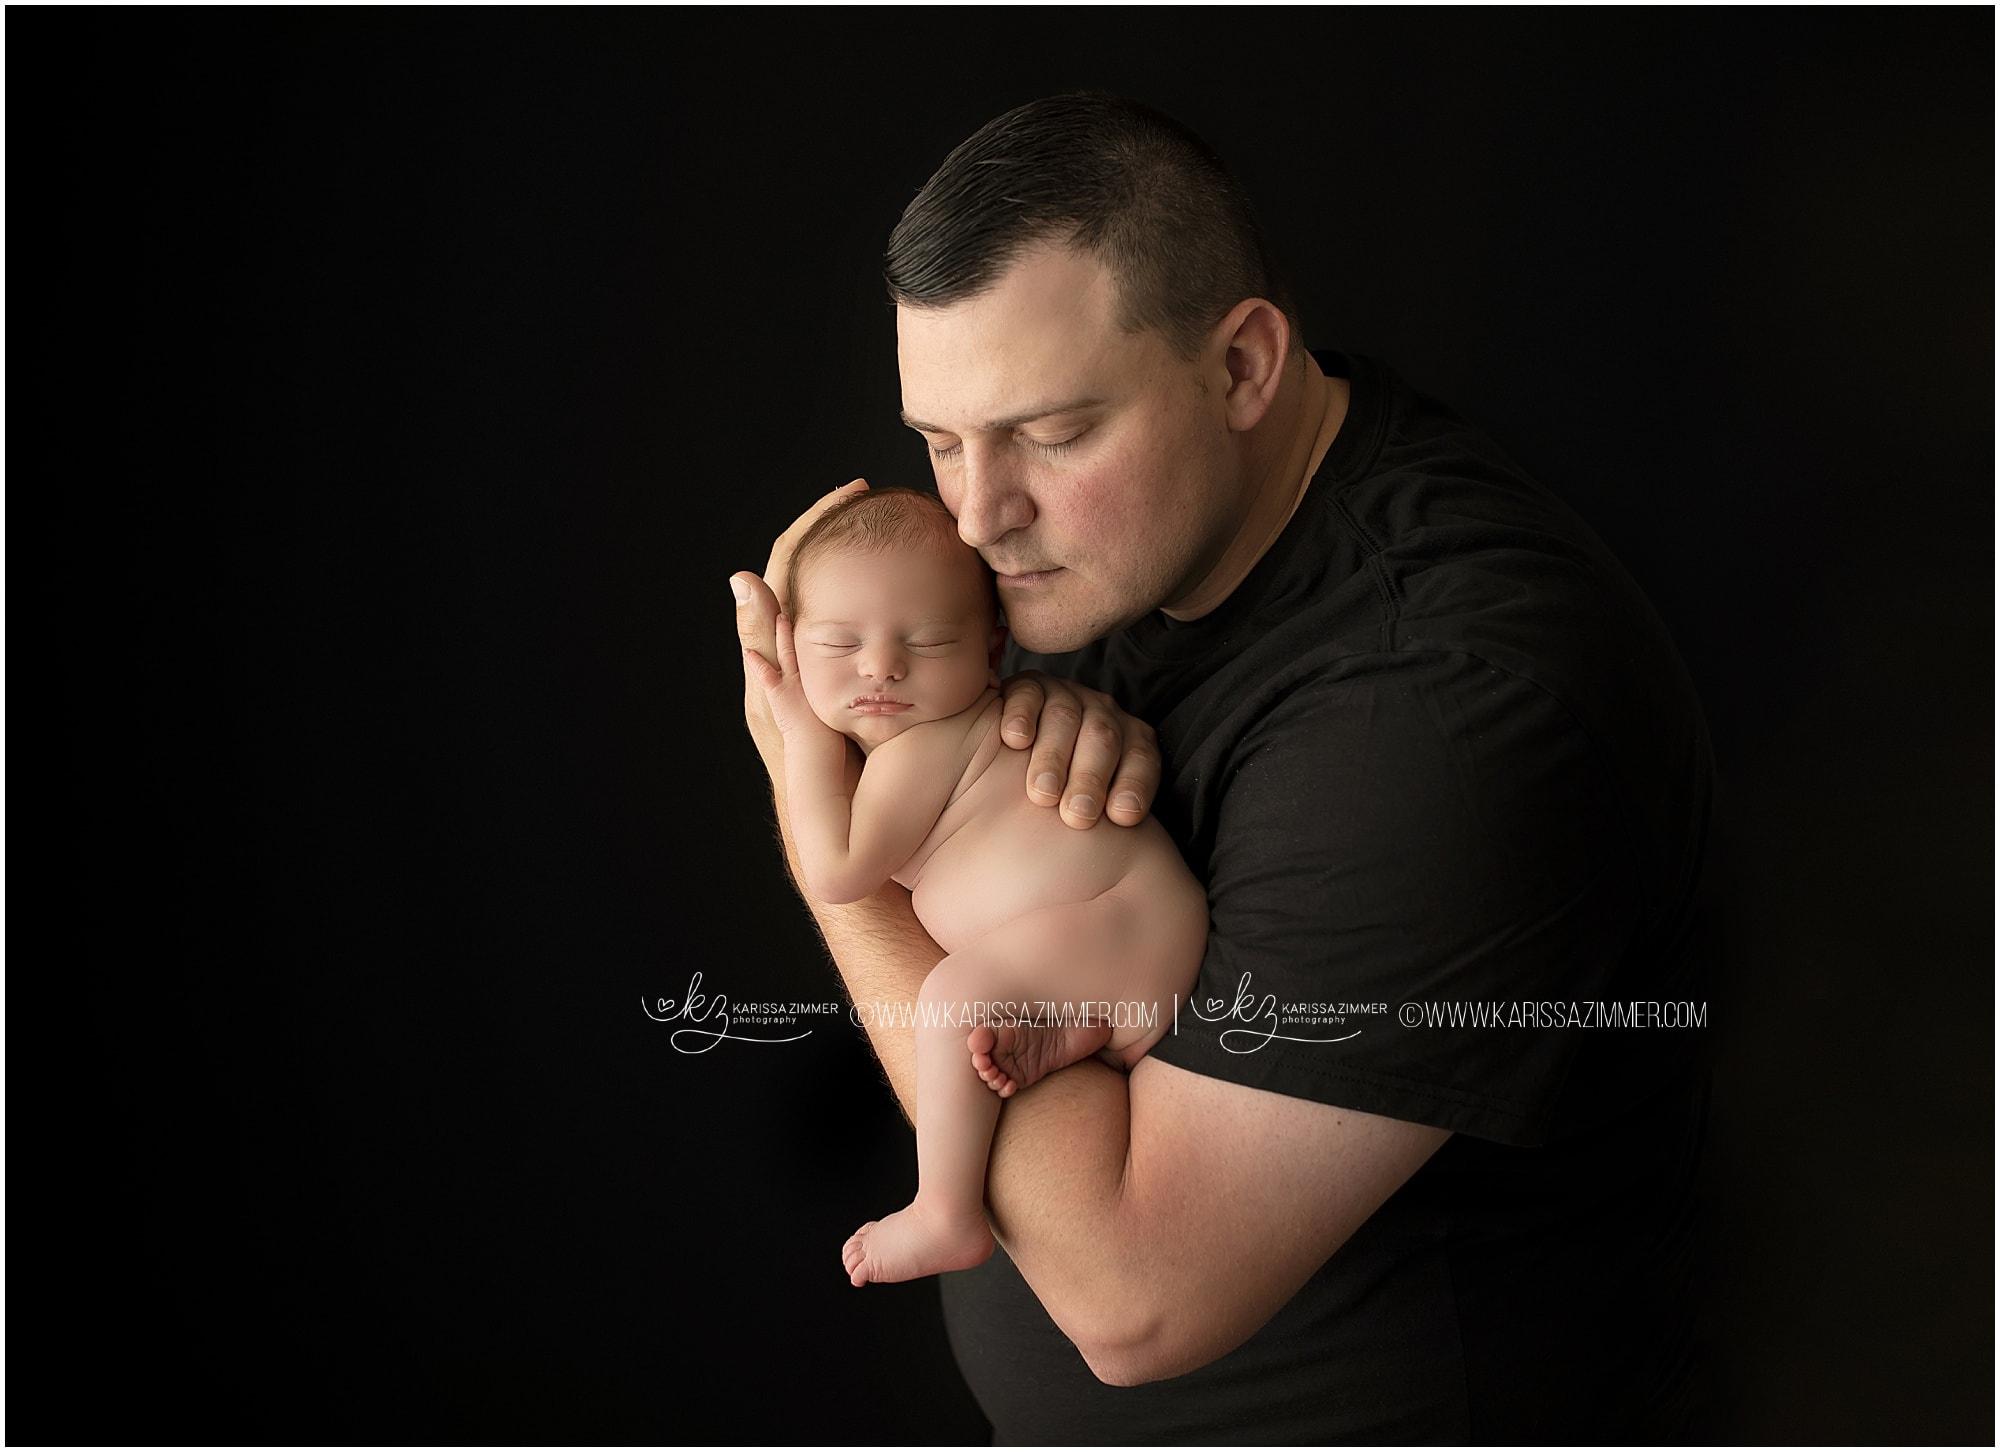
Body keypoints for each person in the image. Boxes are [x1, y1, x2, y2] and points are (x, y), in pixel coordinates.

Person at [732, 90, 1713, 1442]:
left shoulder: (1442, 703)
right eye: (941, 442)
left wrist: (833, 845)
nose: (976, 517)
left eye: (1052, 433)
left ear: (1245, 366)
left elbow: (1135, 1297)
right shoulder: (1142, 557)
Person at [737, 486, 1206, 1289]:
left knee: (953, 997)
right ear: (794, 644)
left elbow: (837, 870)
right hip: (1109, 956)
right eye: (840, 643)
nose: (881, 666)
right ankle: (1065, 1034)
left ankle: (946, 1212)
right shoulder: (935, 742)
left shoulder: (927, 748)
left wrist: (796, 725)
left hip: (1128, 925)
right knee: (984, 1012)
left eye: (926, 641)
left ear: (992, 650)